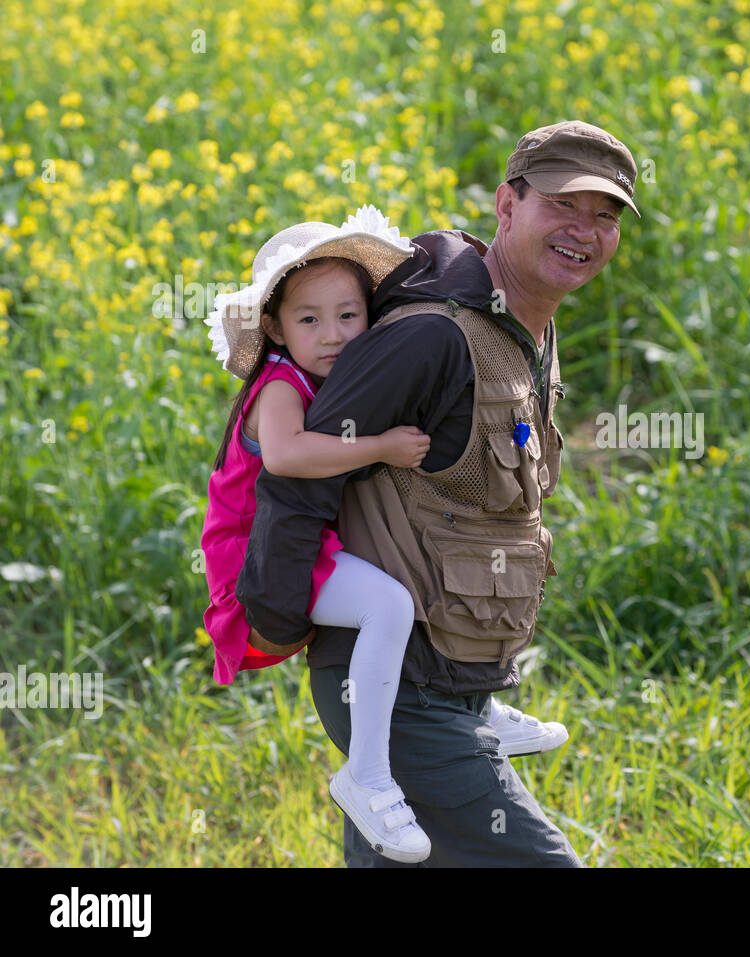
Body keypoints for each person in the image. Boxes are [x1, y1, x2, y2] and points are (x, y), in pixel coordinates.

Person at [235, 120, 640, 867]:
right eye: (563, 205)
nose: (586, 230)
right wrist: (277, 614)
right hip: (404, 690)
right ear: (507, 204)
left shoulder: (525, 333)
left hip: (459, 683)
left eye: (605, 214)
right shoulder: (431, 337)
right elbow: (296, 476)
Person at [200, 206, 567, 864]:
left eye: (349, 315)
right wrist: (385, 445)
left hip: (322, 555)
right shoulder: (280, 386)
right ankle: (366, 772)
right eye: (309, 319)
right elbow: (285, 458)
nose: (334, 333)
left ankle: (475, 707)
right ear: (276, 328)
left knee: (394, 591)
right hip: (249, 555)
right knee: (391, 602)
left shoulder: (328, 375)